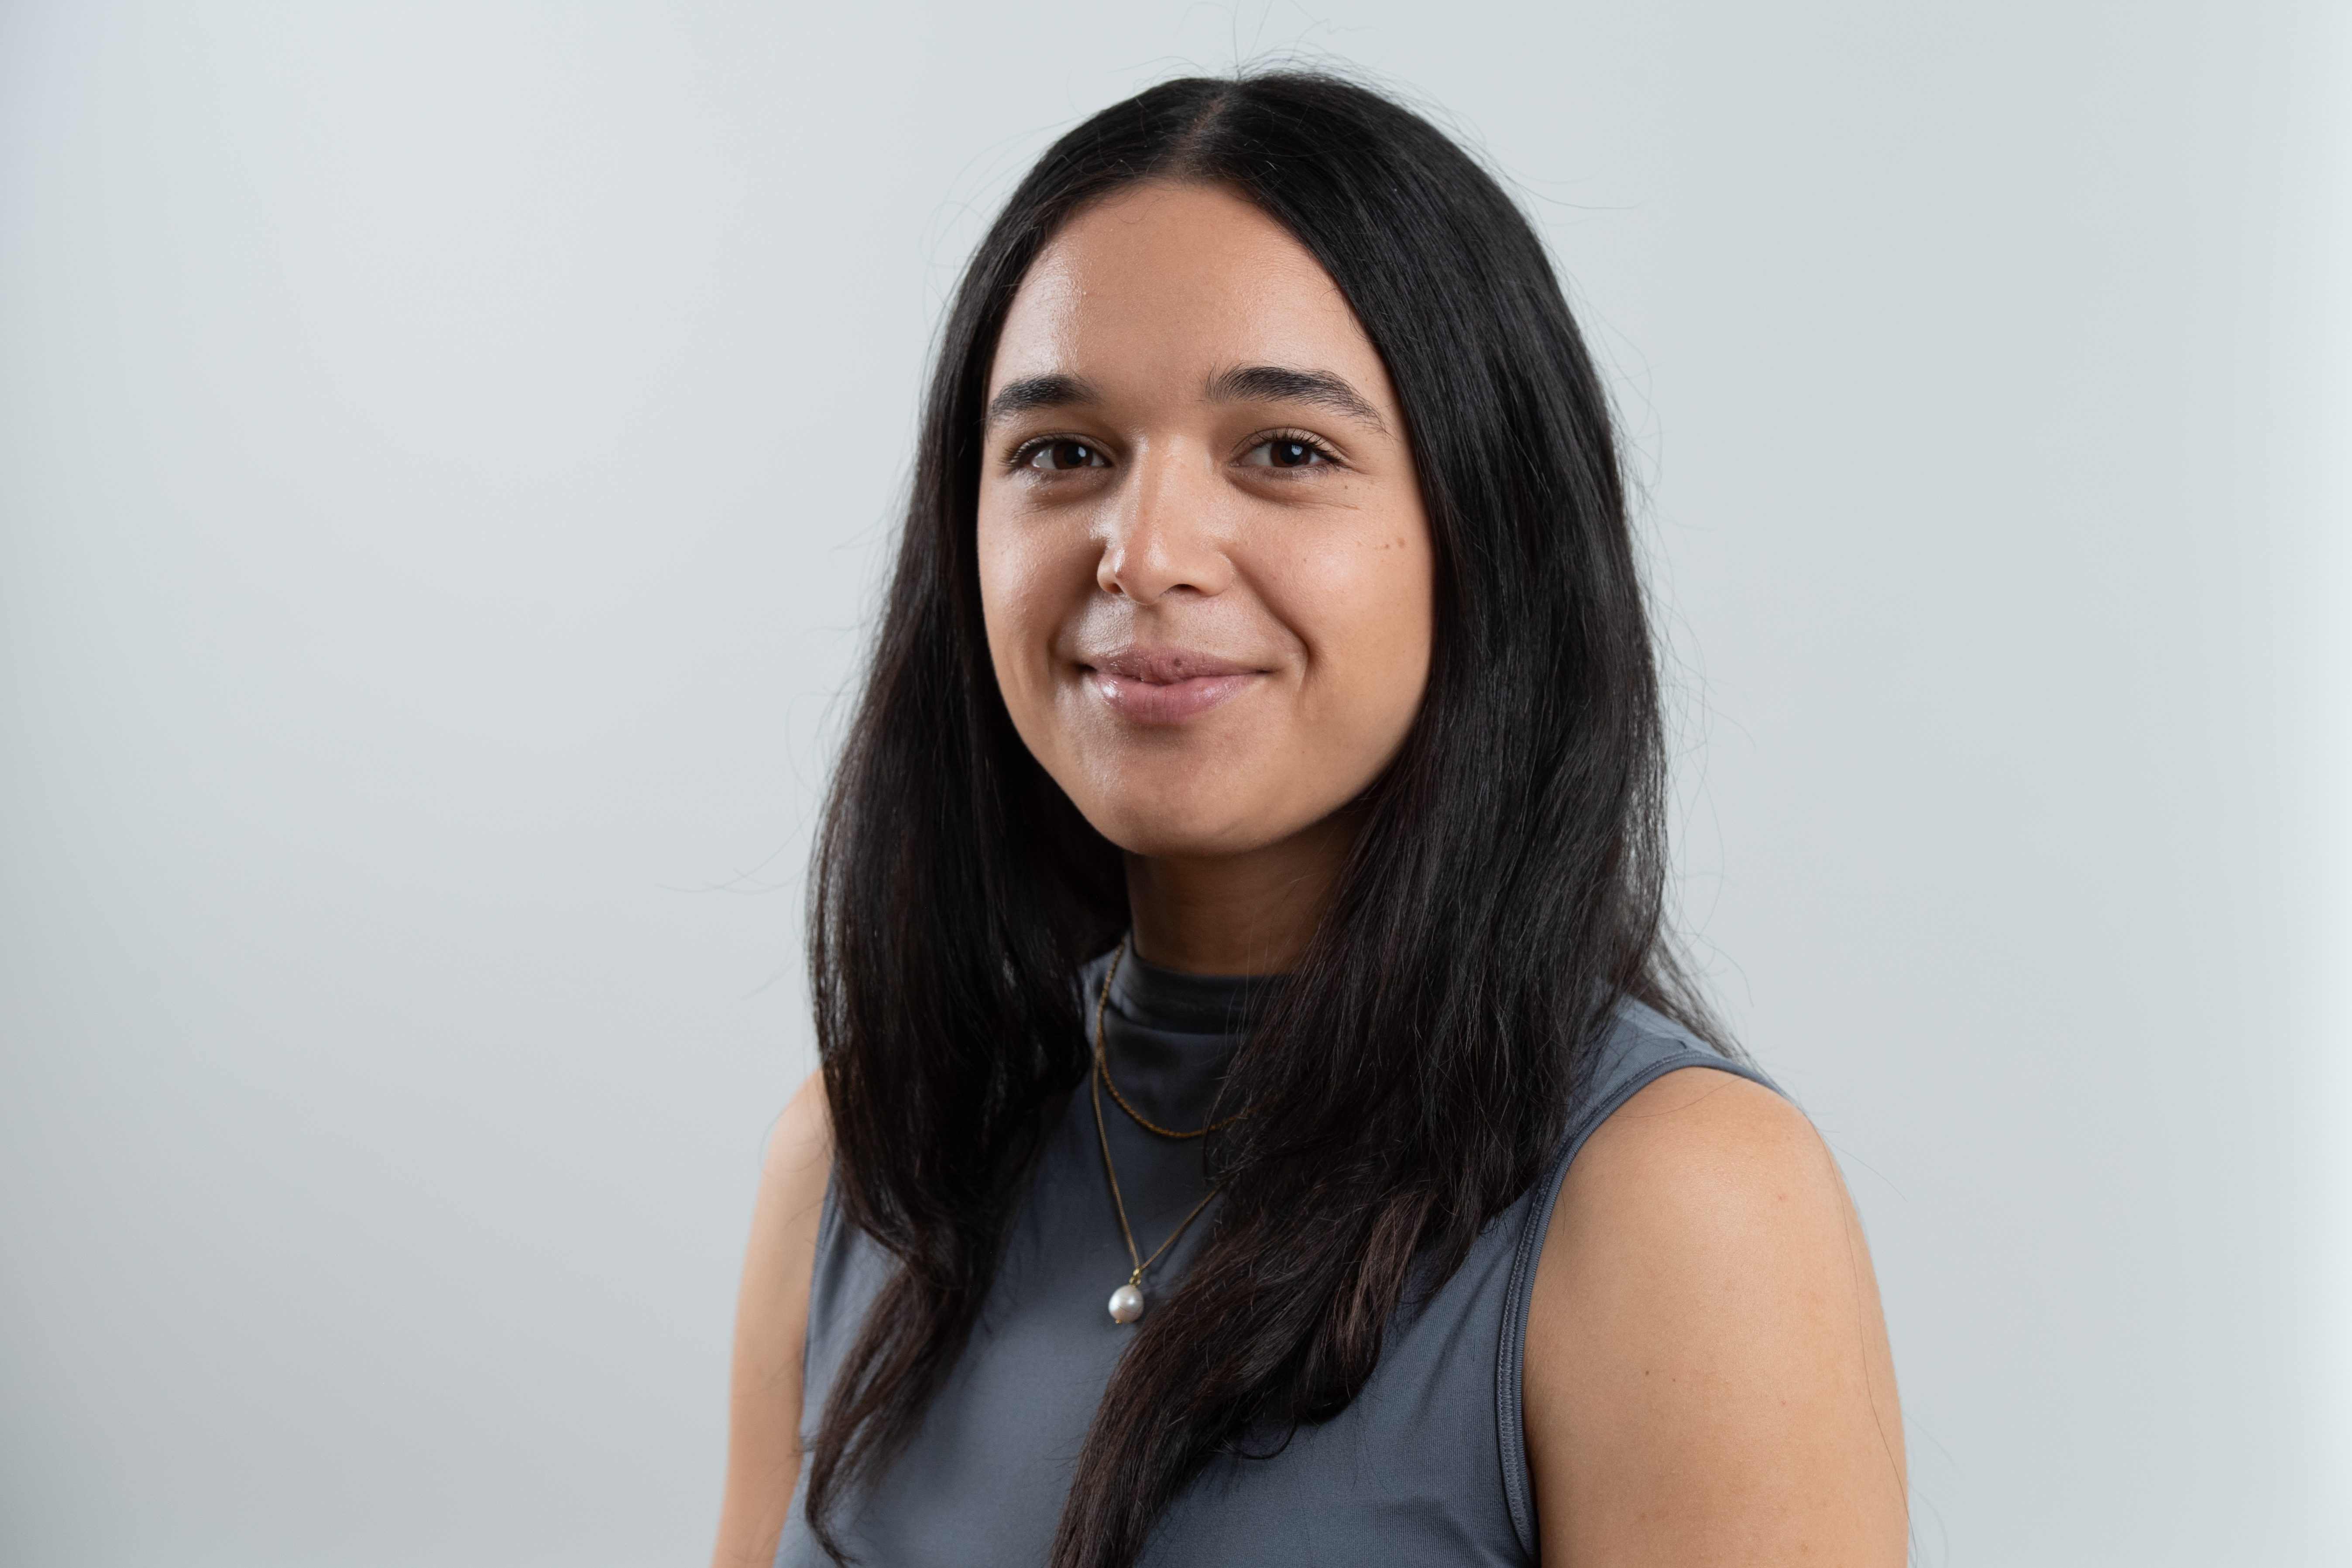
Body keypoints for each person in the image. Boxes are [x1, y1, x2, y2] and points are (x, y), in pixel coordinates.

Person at [713, 72, 1905, 1568]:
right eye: (1060, 451)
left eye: (1284, 450)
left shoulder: (1676, 1203)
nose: (1142, 553)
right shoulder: (857, 1156)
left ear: (1488, 536)